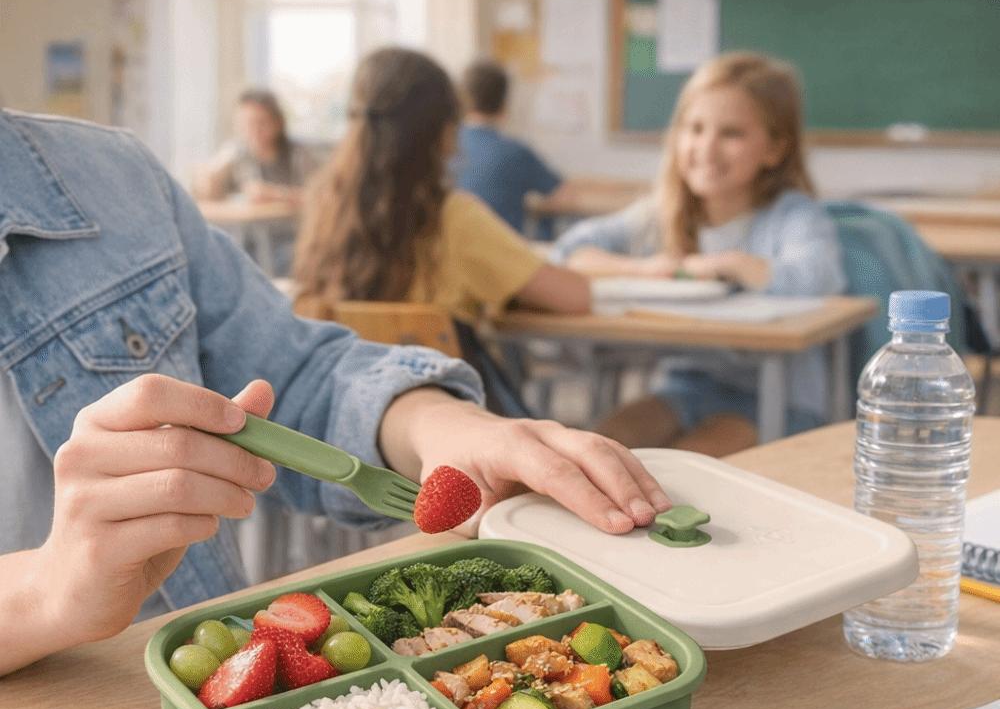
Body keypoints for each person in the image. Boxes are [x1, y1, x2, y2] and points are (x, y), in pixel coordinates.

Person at [0, 107, 668, 677]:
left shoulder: (112, 174)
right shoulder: (452, 213)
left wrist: (444, 426)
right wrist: (40, 592)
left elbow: (290, 378)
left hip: (229, 691)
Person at [553, 52, 847, 454]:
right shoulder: (662, 213)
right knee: (595, 449)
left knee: (684, 468)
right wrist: (648, 269)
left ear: (775, 149)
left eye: (732, 134)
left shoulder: (791, 214)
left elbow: (820, 275)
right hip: (686, 388)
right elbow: (570, 251)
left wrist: (732, 265)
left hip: (777, 399)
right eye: (694, 129)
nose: (706, 148)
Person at [292, 47, 589, 325]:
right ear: (445, 133)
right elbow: (574, 297)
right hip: (434, 379)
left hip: (344, 379)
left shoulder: (325, 205)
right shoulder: (452, 218)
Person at [193, 88, 320, 275]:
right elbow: (206, 195)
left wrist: (276, 195)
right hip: (246, 242)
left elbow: (322, 198)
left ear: (278, 123)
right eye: (246, 124)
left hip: (290, 241)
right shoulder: (237, 154)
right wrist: (207, 177)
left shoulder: (298, 155)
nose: (254, 131)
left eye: (261, 123)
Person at [453, 59, 565, 236]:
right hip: (500, 255)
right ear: (504, 104)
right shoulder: (514, 152)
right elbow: (561, 194)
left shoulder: (442, 149)